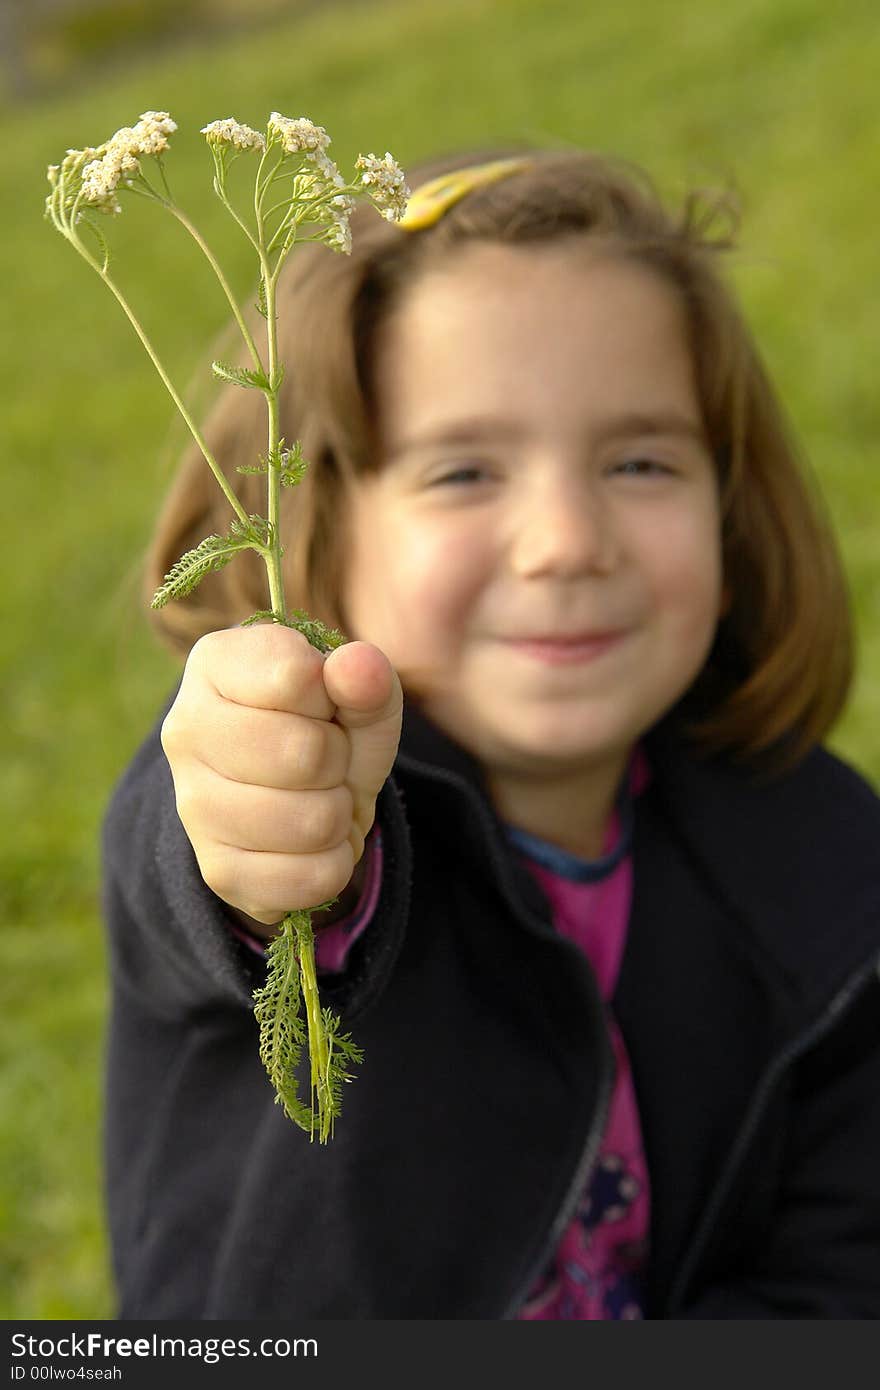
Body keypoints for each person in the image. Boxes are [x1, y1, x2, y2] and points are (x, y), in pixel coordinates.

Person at [101, 145, 880, 1320]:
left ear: (732, 507)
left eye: (638, 460)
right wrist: (261, 822)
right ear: (317, 532)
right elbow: (200, 868)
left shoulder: (821, 859)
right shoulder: (304, 811)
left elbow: (839, 1268)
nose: (566, 540)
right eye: (465, 471)